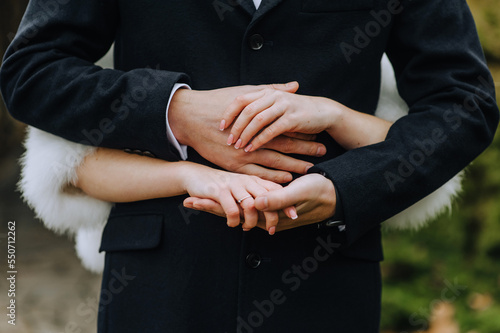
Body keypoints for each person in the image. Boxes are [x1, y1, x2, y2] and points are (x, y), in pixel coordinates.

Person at [1, 0, 498, 332]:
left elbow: (464, 104)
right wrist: (173, 109)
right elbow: (32, 72)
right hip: (160, 287)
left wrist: (346, 188)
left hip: (324, 283)